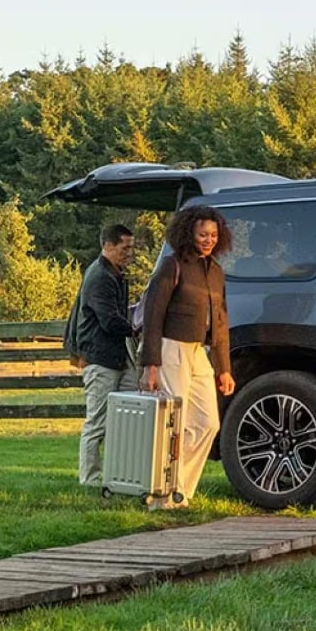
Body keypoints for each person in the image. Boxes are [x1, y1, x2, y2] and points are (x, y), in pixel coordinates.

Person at [138, 205, 236, 508]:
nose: (208, 240)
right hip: (171, 348)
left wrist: (224, 369)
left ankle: (181, 489)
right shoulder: (172, 265)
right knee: (172, 424)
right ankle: (161, 493)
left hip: (199, 353)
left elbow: (220, 322)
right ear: (188, 233)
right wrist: (150, 365)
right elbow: (153, 316)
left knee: (207, 423)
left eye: (213, 235)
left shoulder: (216, 272)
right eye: (202, 234)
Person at [68, 223, 138, 488]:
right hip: (100, 358)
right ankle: (90, 479)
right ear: (108, 246)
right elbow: (110, 320)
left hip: (116, 356)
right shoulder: (100, 277)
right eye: (125, 248)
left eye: (131, 247)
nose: (129, 253)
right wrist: (137, 327)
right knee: (97, 422)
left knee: (126, 416)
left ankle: (120, 473)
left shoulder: (114, 275)